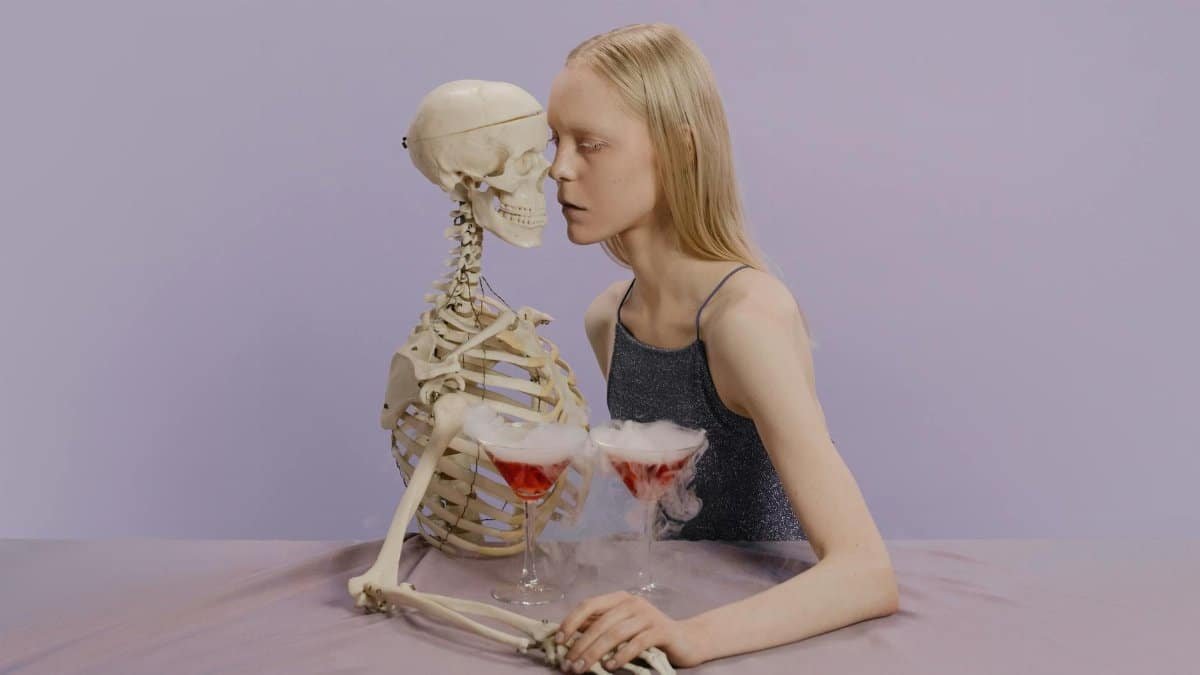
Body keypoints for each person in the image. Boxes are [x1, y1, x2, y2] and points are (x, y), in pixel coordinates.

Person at [544, 23, 899, 672]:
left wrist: (690, 638)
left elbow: (867, 570)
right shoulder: (608, 319)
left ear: (679, 151)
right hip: (669, 604)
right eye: (556, 141)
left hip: (761, 636)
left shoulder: (745, 320)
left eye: (590, 144)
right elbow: (662, 511)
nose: (558, 168)